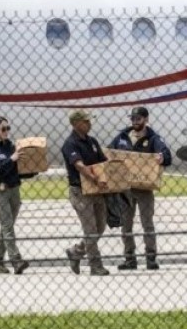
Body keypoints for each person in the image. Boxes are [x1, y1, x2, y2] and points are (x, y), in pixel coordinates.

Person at [109, 106, 172, 271]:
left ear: (146, 119)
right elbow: (108, 152)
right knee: (126, 225)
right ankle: (130, 259)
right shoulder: (122, 137)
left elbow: (167, 155)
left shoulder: (153, 138)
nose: (135, 122)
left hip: (144, 189)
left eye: (138, 119)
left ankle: (151, 258)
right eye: (133, 119)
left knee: (147, 224)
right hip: (126, 188)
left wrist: (161, 157)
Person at [61, 109, 111, 276]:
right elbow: (79, 165)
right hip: (80, 191)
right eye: (86, 121)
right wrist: (94, 178)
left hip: (96, 190)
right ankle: (95, 265)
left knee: (100, 227)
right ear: (76, 124)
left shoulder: (92, 141)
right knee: (90, 229)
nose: (90, 124)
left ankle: (76, 251)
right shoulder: (70, 144)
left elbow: (103, 162)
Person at [0, 116, 29, 275]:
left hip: (14, 190)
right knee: (8, 226)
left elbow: (18, 170)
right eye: (3, 129)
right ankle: (16, 260)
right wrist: (11, 159)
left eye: (8, 128)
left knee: (6, 227)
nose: (7, 131)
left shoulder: (12, 147)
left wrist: (34, 168)